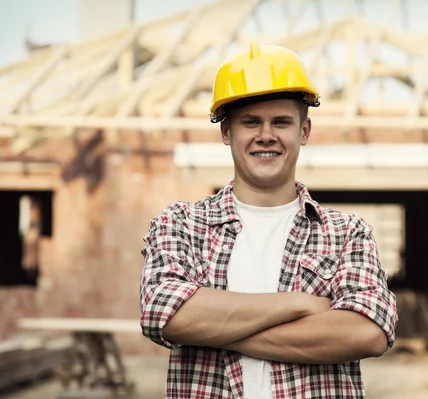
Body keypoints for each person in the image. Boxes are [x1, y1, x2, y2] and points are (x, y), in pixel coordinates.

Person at [139, 42, 398, 399]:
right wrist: (299, 303)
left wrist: (215, 327)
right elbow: (167, 314)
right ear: (226, 133)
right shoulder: (181, 224)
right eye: (250, 122)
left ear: (304, 132)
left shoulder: (346, 233)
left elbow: (367, 332)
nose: (266, 135)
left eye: (281, 122)